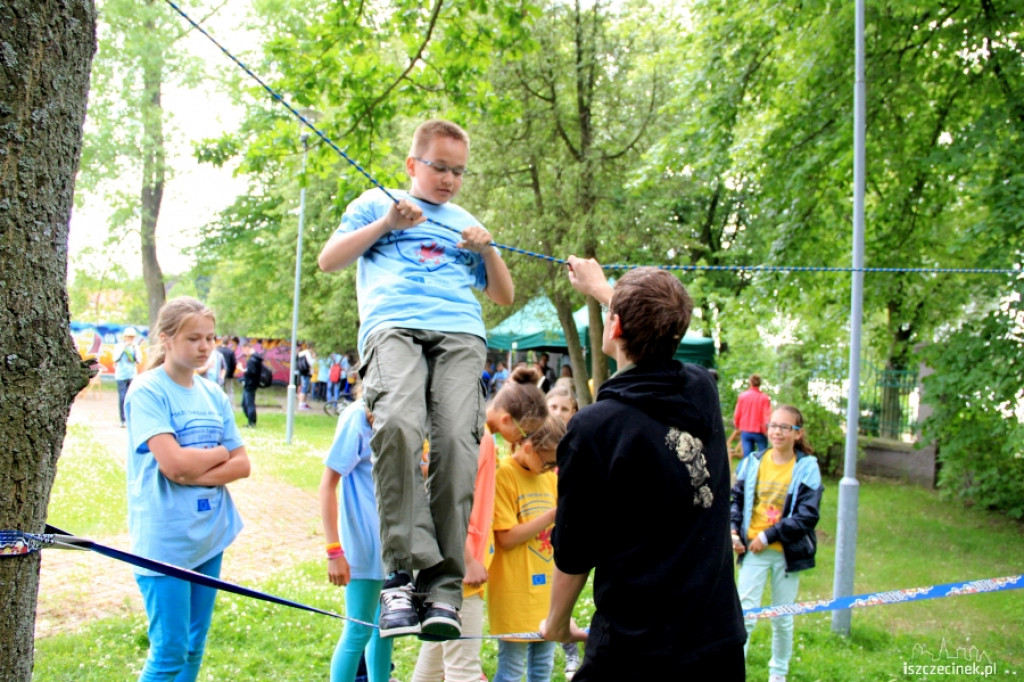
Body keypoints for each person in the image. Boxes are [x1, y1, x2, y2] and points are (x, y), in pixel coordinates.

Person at [317, 119, 515, 639]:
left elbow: (503, 296)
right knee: (399, 425)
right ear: (412, 165)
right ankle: (402, 576)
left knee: (456, 442)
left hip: (460, 332)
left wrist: (487, 248)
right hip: (394, 327)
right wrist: (386, 224)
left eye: (458, 171)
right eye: (439, 167)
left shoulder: (466, 221)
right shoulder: (374, 202)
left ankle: (443, 591)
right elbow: (329, 260)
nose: (449, 179)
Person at [540, 257, 746, 680]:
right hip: (717, 646)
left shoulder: (595, 428)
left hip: (636, 653)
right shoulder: (701, 390)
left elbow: (575, 550)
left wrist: (556, 624)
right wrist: (603, 292)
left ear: (614, 328)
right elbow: (656, 326)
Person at [124, 297, 251, 681]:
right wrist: (216, 454)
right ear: (166, 339)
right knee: (169, 650)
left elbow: (242, 464)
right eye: (193, 338)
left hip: (209, 537)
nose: (204, 347)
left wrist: (189, 469)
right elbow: (173, 464)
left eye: (210, 338)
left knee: (195, 645)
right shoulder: (147, 391)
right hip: (165, 541)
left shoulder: (212, 393)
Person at [411, 367, 549, 682]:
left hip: (445, 565)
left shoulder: (473, 429)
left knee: (433, 661)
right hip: (459, 569)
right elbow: (445, 499)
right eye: (527, 434)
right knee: (464, 669)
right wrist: (468, 558)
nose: (527, 442)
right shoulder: (480, 438)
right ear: (505, 421)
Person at [731, 405, 823, 682]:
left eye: (785, 427)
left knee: (783, 617)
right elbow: (736, 501)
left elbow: (807, 516)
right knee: (744, 616)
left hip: (786, 554)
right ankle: (737, 672)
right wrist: (734, 532)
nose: (777, 432)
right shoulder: (753, 462)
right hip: (753, 552)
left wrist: (768, 537)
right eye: (773, 426)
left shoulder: (807, 467)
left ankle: (778, 675)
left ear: (798, 434)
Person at [319, 397, 394, 682]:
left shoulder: (402, 408)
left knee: (385, 630)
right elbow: (327, 485)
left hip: (392, 546)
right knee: (358, 631)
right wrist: (334, 550)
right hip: (364, 544)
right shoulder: (356, 417)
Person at [490, 414, 566, 682]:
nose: (552, 468)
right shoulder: (504, 476)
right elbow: (506, 538)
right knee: (511, 671)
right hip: (515, 595)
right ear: (528, 448)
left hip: (547, 594)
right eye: (549, 462)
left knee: (543, 669)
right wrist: (551, 516)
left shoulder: (550, 478)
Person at [543, 385, 581, 678]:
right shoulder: (538, 445)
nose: (557, 413)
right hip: (540, 533)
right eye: (552, 407)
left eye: (564, 409)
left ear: (575, 412)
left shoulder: (579, 446)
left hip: (567, 534)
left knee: (563, 594)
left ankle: (571, 654)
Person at [734, 374, 772, 458]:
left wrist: (737, 425)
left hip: (745, 429)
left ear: (750, 383)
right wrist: (767, 429)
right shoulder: (764, 398)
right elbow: (767, 415)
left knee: (747, 457)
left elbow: (737, 413)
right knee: (763, 456)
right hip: (760, 430)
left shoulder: (743, 396)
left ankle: (748, 470)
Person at [113, 326, 141, 427]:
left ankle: (131, 418)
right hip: (121, 375)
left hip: (132, 374)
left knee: (132, 397)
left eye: (132, 337)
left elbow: (138, 360)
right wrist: (124, 348)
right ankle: (122, 419)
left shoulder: (135, 347)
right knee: (122, 397)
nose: (130, 339)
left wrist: (134, 349)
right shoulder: (119, 346)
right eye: (128, 337)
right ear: (124, 337)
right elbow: (115, 358)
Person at [241, 341, 264, 428]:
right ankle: (251, 421)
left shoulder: (253, 359)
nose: (243, 352)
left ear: (247, 348)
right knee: (245, 403)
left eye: (243, 350)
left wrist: (244, 370)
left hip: (250, 384)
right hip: (251, 384)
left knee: (248, 404)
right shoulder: (255, 358)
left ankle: (252, 422)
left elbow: (252, 372)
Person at [218, 336, 239, 404]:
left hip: (219, 374)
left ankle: (220, 404)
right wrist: (232, 373)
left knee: (220, 389)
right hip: (229, 374)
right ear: (228, 343)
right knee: (229, 390)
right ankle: (229, 405)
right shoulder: (230, 352)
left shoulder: (218, 351)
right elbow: (234, 363)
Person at [297, 343, 315, 410]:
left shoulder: (301, 353)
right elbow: (311, 363)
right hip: (306, 372)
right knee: (304, 389)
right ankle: (301, 404)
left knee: (303, 387)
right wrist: (314, 357)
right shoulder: (307, 354)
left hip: (302, 372)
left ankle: (303, 403)